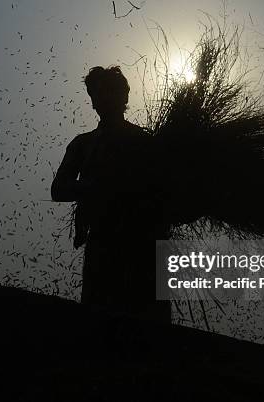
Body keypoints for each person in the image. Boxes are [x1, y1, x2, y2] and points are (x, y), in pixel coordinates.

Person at [51, 66, 171, 323]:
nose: (103, 99)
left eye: (110, 93)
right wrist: (97, 188)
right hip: (103, 244)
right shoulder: (83, 144)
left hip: (144, 245)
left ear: (124, 97)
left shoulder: (148, 143)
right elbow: (58, 188)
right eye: (97, 93)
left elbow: (168, 193)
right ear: (92, 100)